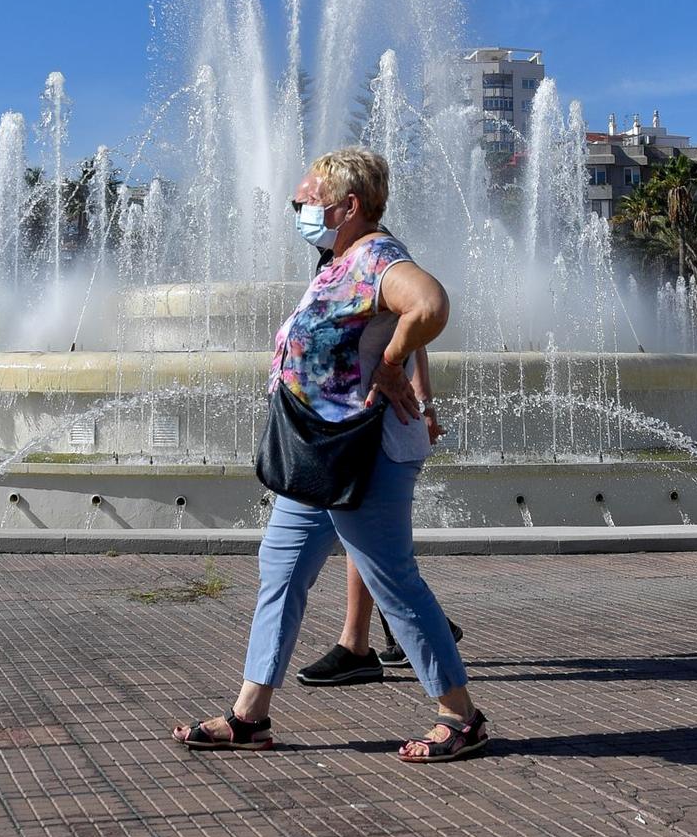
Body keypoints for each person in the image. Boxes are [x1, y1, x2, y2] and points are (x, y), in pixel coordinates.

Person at [172, 145, 490, 763]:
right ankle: (250, 715)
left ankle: (462, 717)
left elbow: (429, 305)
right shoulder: (337, 260)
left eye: (306, 199)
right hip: (318, 455)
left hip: (363, 453)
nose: (297, 207)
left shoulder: (377, 256)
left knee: (392, 580)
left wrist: (394, 364)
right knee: (281, 570)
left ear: (348, 206)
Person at [295, 345, 464, 685]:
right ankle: (394, 631)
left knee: (372, 538)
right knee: (367, 534)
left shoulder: (384, 293)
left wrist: (426, 403)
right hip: (355, 424)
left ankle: (373, 642)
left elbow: (416, 335)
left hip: (382, 425)